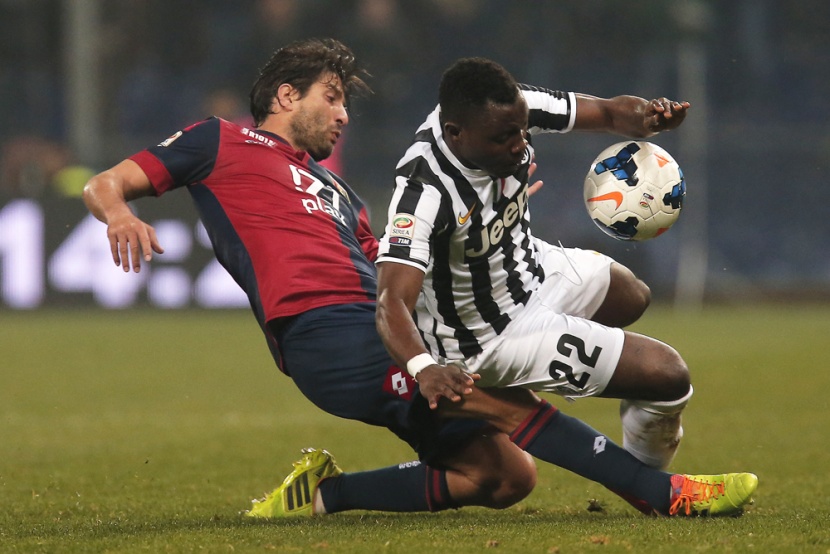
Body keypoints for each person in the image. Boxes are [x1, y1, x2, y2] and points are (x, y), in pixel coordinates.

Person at [83, 39, 755, 520]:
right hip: (325, 335)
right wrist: (118, 215)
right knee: (495, 401)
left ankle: (324, 495)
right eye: (332, 97)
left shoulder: (340, 193)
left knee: (503, 478)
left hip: (385, 322)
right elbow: (104, 183)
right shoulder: (219, 141)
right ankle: (660, 494)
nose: (344, 115)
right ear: (286, 96)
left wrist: (485, 216)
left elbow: (398, 264)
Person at [374, 56, 758, 513]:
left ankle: (571, 389)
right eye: (503, 138)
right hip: (487, 336)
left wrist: (648, 117)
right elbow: (390, 301)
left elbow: (610, 112)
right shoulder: (423, 192)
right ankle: (646, 482)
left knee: (631, 294)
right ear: (456, 133)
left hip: (530, 268)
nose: (519, 144)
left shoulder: (513, 109)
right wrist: (425, 369)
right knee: (668, 375)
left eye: (522, 132)